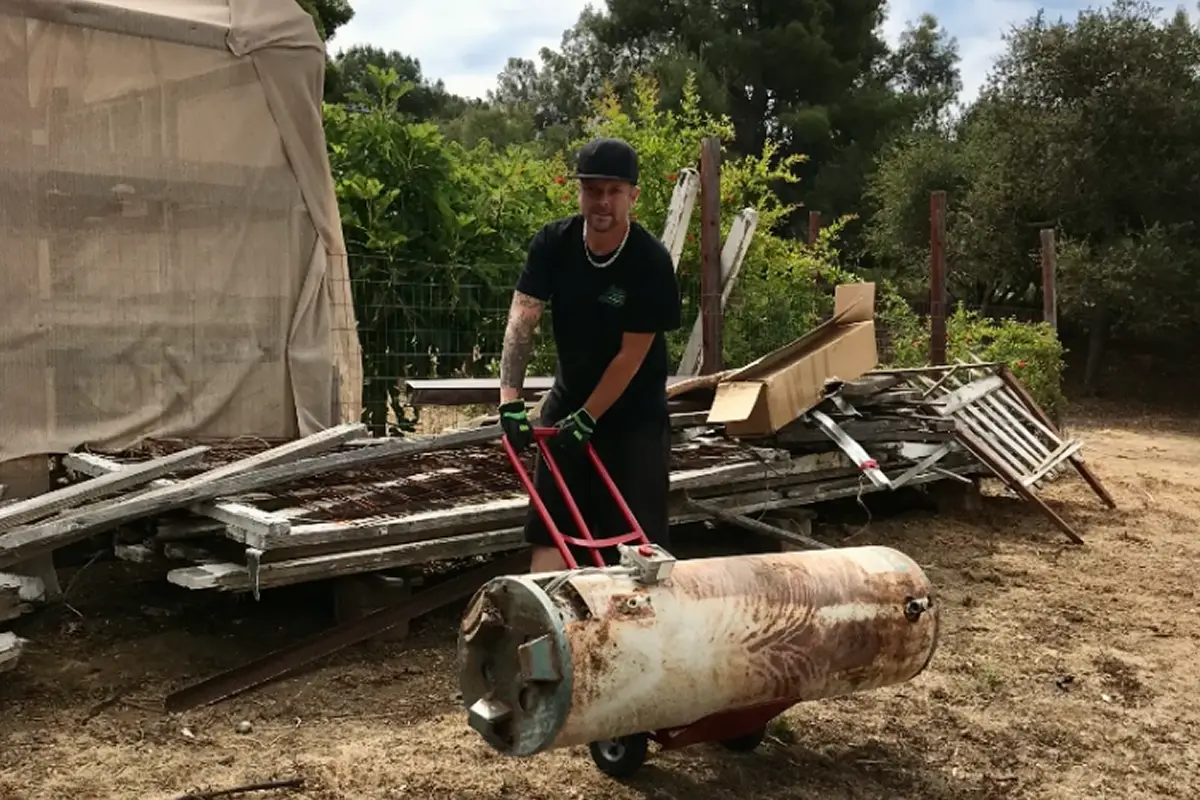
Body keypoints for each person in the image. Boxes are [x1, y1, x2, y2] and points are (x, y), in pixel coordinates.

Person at [496, 136, 683, 573]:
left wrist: (590, 417)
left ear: (633, 196)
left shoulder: (649, 262)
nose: (602, 202)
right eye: (592, 190)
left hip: (632, 414)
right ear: (578, 192)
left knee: (633, 543)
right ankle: (546, 627)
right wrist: (509, 400)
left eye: (614, 192)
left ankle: (628, 632)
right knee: (551, 527)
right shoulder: (553, 244)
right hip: (568, 402)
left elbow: (631, 356)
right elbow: (522, 321)